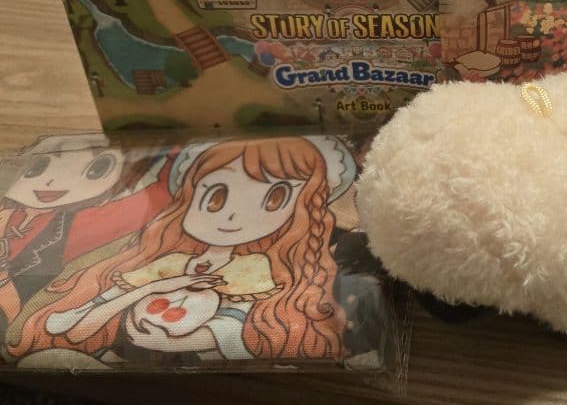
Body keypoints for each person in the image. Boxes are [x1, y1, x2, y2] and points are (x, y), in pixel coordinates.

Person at [9, 136, 355, 365]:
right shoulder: (158, 260)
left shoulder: (263, 274)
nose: (233, 215)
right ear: (189, 195)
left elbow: (258, 331)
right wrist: (152, 289)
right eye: (215, 197)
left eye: (274, 198)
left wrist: (195, 339)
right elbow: (63, 326)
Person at [0, 134, 171, 332]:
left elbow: (158, 195)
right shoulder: (7, 209)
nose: (51, 181)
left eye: (96, 170)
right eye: (39, 167)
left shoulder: (77, 225)